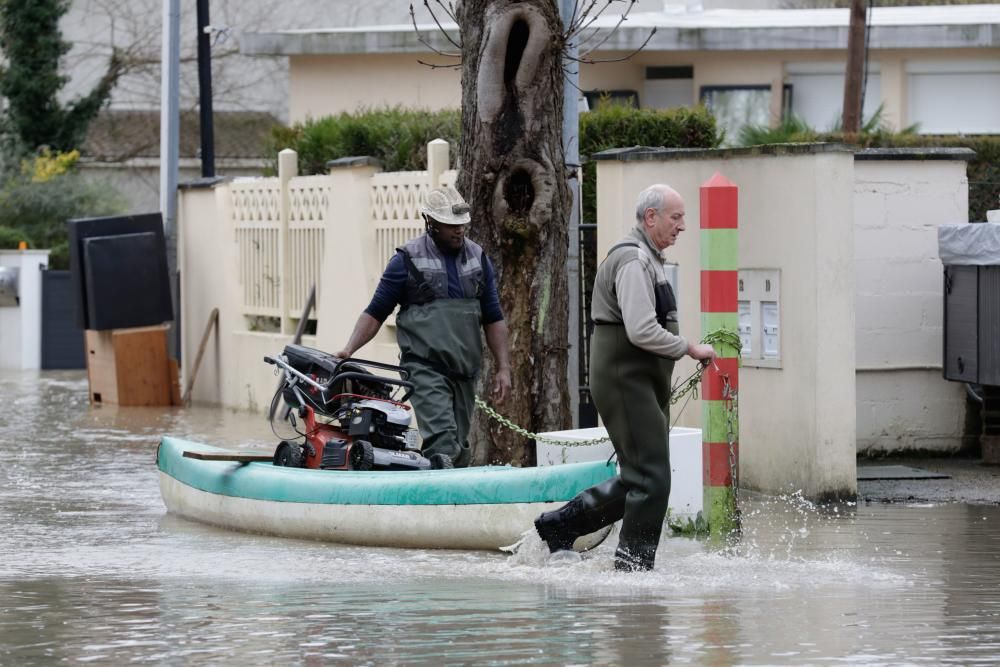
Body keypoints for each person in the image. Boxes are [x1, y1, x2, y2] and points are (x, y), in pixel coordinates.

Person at [533, 183, 716, 572]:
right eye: (676, 217)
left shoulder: (650, 257)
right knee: (652, 478)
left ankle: (561, 526)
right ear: (651, 217)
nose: (682, 226)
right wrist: (689, 348)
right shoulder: (634, 260)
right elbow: (641, 330)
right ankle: (633, 570)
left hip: (639, 379)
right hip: (624, 377)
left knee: (641, 477)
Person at [335, 186, 511, 468]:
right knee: (442, 441)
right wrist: (348, 349)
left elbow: (493, 317)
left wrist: (504, 367)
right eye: (450, 225)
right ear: (430, 222)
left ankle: (454, 499)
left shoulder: (478, 259)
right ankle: (441, 502)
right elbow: (376, 312)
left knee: (460, 446)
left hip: (465, 371)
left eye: (462, 225)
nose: (458, 231)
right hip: (425, 368)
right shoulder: (406, 260)